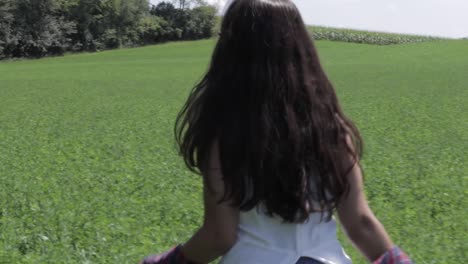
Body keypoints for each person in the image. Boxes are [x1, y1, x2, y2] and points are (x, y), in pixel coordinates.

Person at [141, 0, 413, 263]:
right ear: (300, 48)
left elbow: (218, 236)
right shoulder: (332, 130)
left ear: (231, 53)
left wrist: (168, 262)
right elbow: (361, 223)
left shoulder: (226, 135)